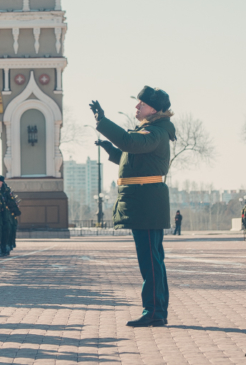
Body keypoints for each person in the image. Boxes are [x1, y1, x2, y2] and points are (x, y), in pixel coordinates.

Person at [90, 86, 175, 328]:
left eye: (142, 104)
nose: (136, 107)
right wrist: (114, 153)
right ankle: (156, 310)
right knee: (152, 259)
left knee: (150, 260)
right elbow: (137, 161)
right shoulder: (151, 131)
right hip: (143, 202)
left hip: (146, 203)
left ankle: (154, 311)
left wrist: (103, 122)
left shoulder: (155, 131)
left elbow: (130, 142)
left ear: (155, 109)